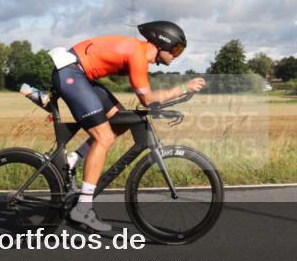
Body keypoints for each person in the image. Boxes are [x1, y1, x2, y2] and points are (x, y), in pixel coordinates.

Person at [47, 21, 205, 232]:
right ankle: (83, 208)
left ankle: (72, 160)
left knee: (119, 121)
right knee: (105, 137)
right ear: (162, 43)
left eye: (180, 51)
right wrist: (183, 88)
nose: (177, 55)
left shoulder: (138, 53)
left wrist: (173, 99)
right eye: (176, 49)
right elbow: (148, 100)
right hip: (71, 74)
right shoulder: (137, 55)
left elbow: (146, 98)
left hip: (79, 75)